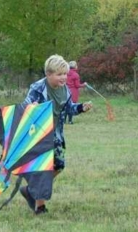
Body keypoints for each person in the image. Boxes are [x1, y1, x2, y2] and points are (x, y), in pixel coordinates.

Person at [19, 55, 93, 215]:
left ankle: (31, 190)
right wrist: (33, 107)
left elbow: (69, 108)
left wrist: (81, 108)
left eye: (65, 74)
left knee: (59, 166)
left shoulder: (64, 89)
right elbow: (26, 106)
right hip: (39, 135)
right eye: (60, 74)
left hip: (56, 134)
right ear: (48, 74)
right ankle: (40, 207)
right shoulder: (38, 88)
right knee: (44, 168)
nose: (64, 78)